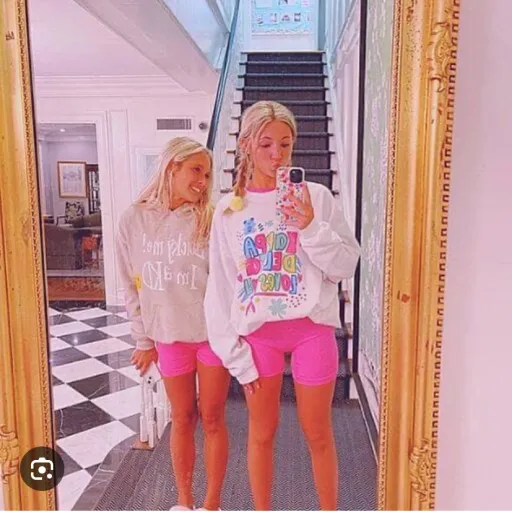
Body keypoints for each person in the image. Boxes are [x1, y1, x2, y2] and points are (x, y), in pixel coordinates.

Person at [204, 101, 361, 510]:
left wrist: (309, 225)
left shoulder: (316, 197)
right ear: (245, 145)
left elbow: (345, 264)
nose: (277, 155)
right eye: (266, 144)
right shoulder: (228, 211)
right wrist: (234, 355)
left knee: (319, 432)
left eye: (286, 144)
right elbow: (220, 289)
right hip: (259, 337)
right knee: (261, 433)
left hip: (312, 329)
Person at [116, 137, 230, 511]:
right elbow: (130, 284)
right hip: (168, 336)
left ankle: (211, 505)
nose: (202, 181)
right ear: (171, 167)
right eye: (196, 170)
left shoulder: (211, 218)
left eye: (207, 174)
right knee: (181, 418)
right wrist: (142, 340)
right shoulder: (133, 220)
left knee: (212, 417)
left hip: (212, 336)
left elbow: (227, 281)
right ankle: (184, 502)